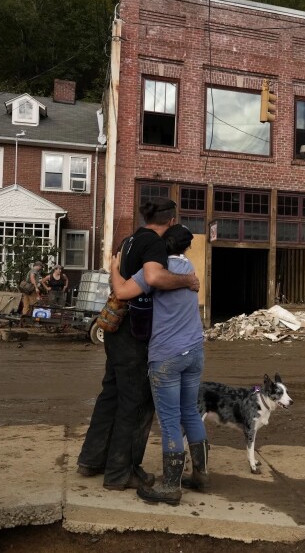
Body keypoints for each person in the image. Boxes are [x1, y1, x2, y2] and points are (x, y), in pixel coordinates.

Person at [76, 199, 199, 491]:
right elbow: (155, 276)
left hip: (117, 332)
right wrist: (186, 281)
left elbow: (119, 275)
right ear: (170, 221)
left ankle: (92, 459)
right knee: (137, 403)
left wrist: (115, 269)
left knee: (111, 396)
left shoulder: (130, 240)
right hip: (135, 334)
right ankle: (121, 472)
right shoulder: (155, 245)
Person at [110, 223, 207, 506]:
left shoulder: (154, 273)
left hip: (167, 355)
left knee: (169, 420)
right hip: (195, 351)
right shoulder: (190, 270)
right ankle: (201, 474)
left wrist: (114, 267)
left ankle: (170, 485)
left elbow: (122, 293)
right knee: (189, 411)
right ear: (187, 246)